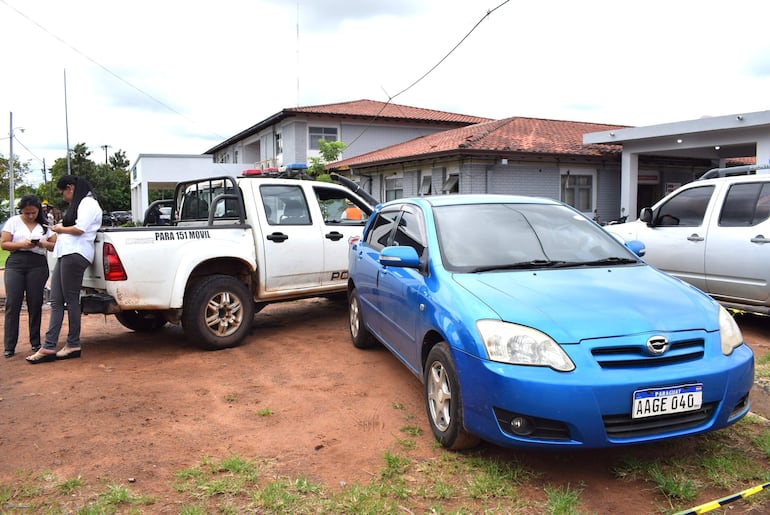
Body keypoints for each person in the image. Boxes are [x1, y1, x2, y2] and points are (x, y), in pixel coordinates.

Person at [26, 175, 103, 364]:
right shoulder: (81, 203)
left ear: (70, 187)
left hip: (75, 254)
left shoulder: (88, 203)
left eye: (63, 193)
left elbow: (80, 229)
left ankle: (72, 344)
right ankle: (49, 346)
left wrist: (59, 229)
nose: (63, 197)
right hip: (67, 253)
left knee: (70, 300)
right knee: (56, 300)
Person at [1, 195, 56, 358]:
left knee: (35, 302)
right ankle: (10, 345)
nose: (30, 216)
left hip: (37, 263)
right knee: (13, 302)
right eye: (26, 213)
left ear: (38, 210)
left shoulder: (45, 224)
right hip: (16, 262)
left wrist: (42, 243)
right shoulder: (13, 222)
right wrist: (22, 244)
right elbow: (4, 243)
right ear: (21, 211)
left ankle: (35, 341)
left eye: (33, 213)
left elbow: (55, 245)